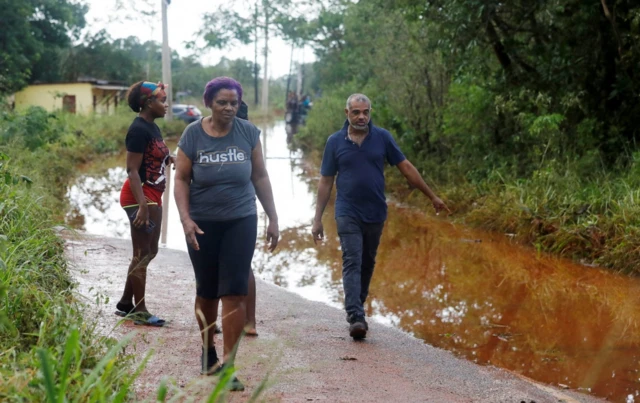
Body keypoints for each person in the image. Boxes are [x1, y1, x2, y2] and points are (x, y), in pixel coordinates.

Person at [311, 93, 450, 340]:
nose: (361, 116)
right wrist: (317, 218)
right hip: (347, 211)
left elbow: (406, 167)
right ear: (347, 113)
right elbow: (325, 181)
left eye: (365, 112)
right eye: (356, 112)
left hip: (375, 211)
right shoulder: (335, 141)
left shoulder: (383, 138)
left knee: (367, 262)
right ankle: (355, 315)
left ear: (370, 112)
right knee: (352, 259)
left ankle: (358, 308)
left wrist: (432, 196)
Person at [174, 77, 279, 390]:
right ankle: (208, 352)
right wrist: (185, 219)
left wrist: (273, 217)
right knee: (206, 291)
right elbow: (180, 179)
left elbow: (260, 176)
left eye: (233, 102)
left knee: (234, 290)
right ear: (209, 103)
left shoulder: (248, 133)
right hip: (202, 222)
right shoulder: (192, 134)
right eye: (222, 102)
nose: (229, 108)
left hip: (241, 219)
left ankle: (229, 365)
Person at [116, 81, 173, 327]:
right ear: (148, 103)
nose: (166, 104)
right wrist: (141, 205)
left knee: (150, 252)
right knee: (141, 254)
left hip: (152, 196)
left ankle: (125, 303)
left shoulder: (153, 127)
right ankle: (140, 310)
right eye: (162, 100)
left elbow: (154, 156)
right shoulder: (138, 129)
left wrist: (169, 158)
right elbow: (132, 170)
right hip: (139, 197)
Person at [212, 98, 259, 337]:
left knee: (227, 269)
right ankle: (248, 321)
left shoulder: (240, 137)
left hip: (236, 211)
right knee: (243, 267)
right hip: (243, 210)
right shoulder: (250, 138)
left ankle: (240, 320)